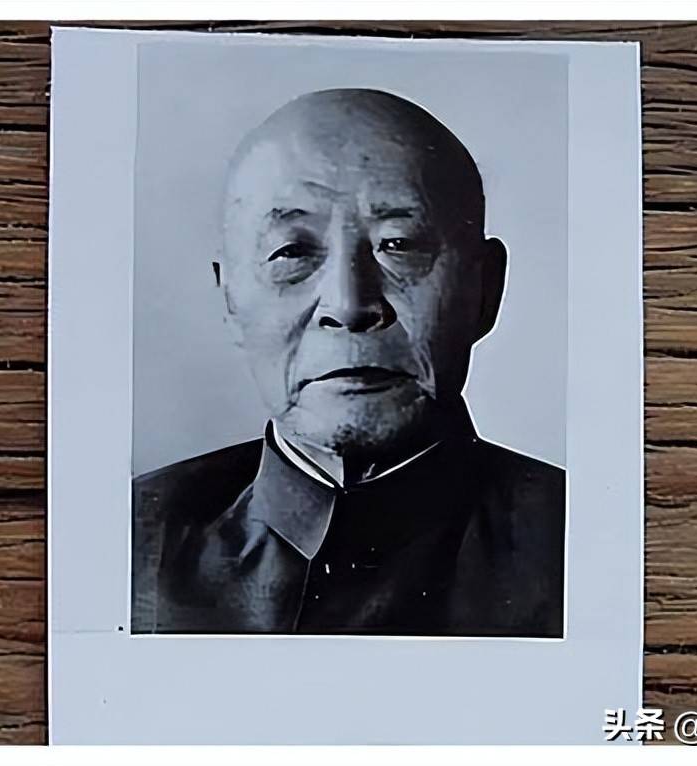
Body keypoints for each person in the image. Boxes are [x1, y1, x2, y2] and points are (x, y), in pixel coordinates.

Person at [132, 88, 564, 636]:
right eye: (292, 251)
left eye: (399, 244)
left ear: (485, 289)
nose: (349, 303)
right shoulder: (125, 539)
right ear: (229, 298)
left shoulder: (584, 541)